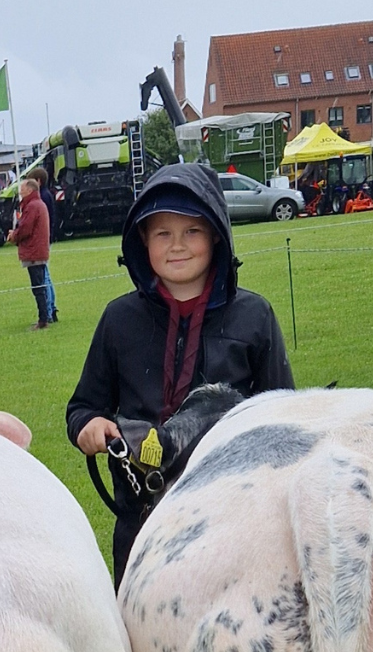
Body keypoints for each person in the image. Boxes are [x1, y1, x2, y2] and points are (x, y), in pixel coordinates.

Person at [66, 161, 293, 586]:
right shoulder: (119, 320)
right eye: (162, 233)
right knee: (140, 642)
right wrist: (90, 427)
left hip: (237, 523)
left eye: (192, 231)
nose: (177, 246)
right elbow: (83, 407)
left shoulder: (254, 316)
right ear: (143, 242)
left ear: (216, 236)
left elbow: (284, 415)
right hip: (141, 523)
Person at [7, 173, 56, 328]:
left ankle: (43, 320)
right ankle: (46, 316)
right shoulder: (37, 204)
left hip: (34, 252)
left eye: (22, 188)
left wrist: (13, 236)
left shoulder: (32, 206)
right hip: (38, 251)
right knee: (39, 285)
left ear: (29, 190)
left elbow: (25, 228)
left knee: (38, 287)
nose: (20, 191)